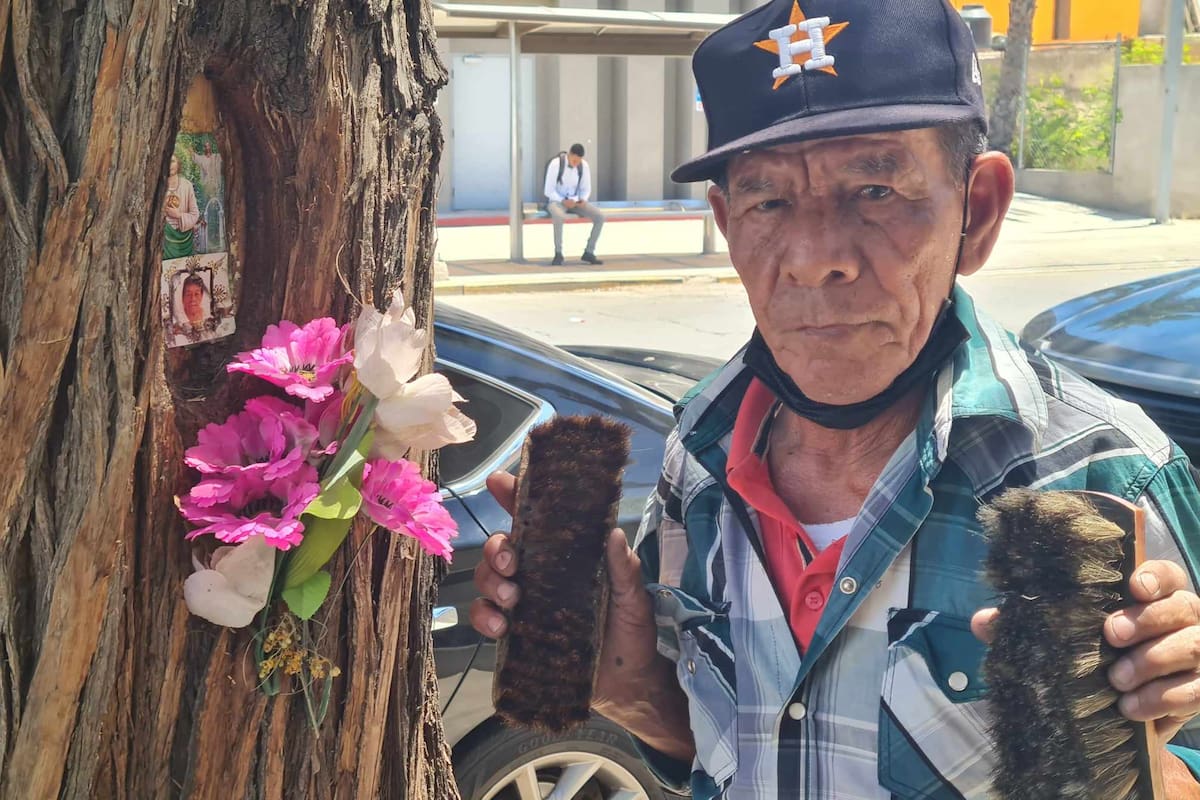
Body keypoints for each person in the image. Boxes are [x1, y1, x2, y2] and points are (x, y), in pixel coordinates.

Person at [473, 1, 1200, 797]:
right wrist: (630, 688)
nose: (816, 259)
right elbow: (723, 750)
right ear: (727, 222)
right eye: (769, 202)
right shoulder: (697, 461)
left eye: (877, 189)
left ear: (978, 210)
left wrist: (1136, 754)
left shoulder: (1105, 477)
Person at [543, 143, 605, 266]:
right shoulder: (556, 164)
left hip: (575, 201)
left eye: (579, 161)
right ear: (569, 155)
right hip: (557, 201)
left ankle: (589, 251)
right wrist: (563, 201)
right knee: (559, 216)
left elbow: (585, 188)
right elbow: (548, 190)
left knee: (599, 217)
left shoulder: (584, 166)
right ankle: (558, 253)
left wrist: (582, 199)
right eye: (574, 160)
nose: (576, 163)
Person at [163, 154, 201, 259]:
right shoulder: (159, 186)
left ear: (178, 164)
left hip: (184, 239)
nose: (170, 165)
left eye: (173, 161)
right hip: (164, 239)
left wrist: (179, 215)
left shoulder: (187, 185)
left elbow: (195, 214)